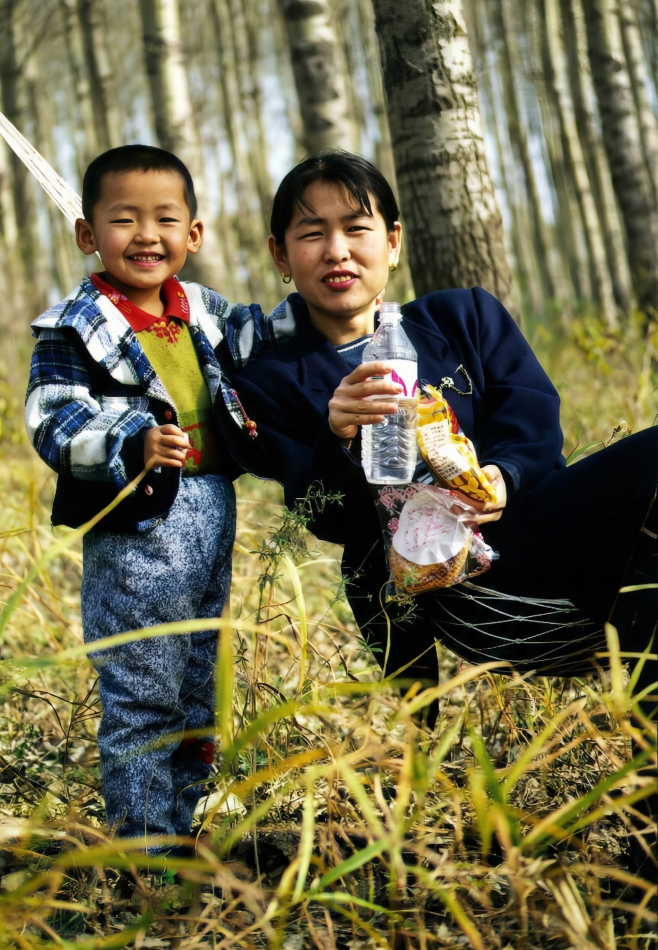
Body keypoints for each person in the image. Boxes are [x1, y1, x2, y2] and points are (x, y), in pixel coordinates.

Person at [228, 150, 657, 860]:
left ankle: (644, 831)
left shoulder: (462, 317)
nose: (336, 250)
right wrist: (334, 434)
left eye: (357, 228)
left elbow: (535, 426)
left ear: (393, 243)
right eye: (311, 233)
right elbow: (326, 520)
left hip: (537, 532)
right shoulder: (274, 379)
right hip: (464, 596)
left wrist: (501, 476)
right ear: (280, 254)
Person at [24, 145, 288, 853]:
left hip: (210, 510)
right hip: (136, 524)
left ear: (193, 235)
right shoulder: (74, 327)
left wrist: (332, 304)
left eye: (165, 219)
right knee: (144, 681)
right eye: (123, 219)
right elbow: (52, 419)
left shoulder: (203, 311)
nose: (146, 235)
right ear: (88, 235)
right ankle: (142, 841)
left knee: (201, 673)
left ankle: (188, 817)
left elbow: (269, 338)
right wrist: (130, 441)